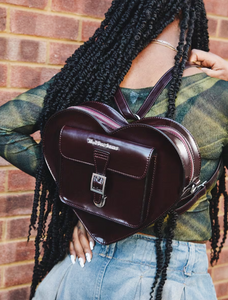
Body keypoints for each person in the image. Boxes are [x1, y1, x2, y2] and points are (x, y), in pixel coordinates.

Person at [0, 0, 228, 299]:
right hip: (164, 278)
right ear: (188, 15)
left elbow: (5, 127)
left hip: (84, 263)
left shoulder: (89, 79)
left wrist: (89, 205)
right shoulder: (217, 97)